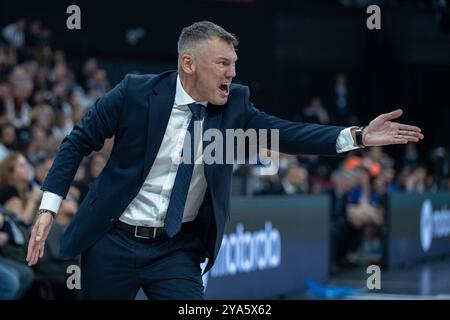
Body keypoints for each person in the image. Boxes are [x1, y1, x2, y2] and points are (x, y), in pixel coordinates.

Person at [26, 21, 424, 299]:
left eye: (234, 64)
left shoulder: (236, 106)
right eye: (223, 63)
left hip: (175, 249)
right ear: (189, 64)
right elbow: (77, 142)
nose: (233, 73)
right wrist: (48, 208)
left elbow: (289, 133)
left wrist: (357, 136)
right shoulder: (135, 93)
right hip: (113, 239)